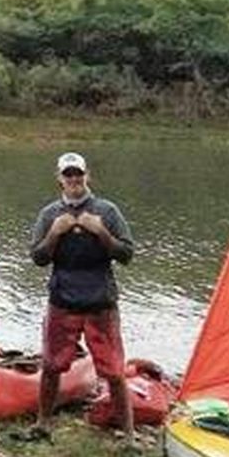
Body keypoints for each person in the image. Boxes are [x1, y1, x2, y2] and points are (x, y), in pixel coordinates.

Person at [28, 152, 136, 441]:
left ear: (87, 176)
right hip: (62, 301)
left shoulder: (107, 211)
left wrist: (101, 233)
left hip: (101, 303)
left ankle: (129, 434)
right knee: (51, 366)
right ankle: (42, 424)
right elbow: (37, 257)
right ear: (59, 179)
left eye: (78, 174)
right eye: (68, 175)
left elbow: (126, 254)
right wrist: (54, 234)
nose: (74, 180)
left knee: (114, 372)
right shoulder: (49, 214)